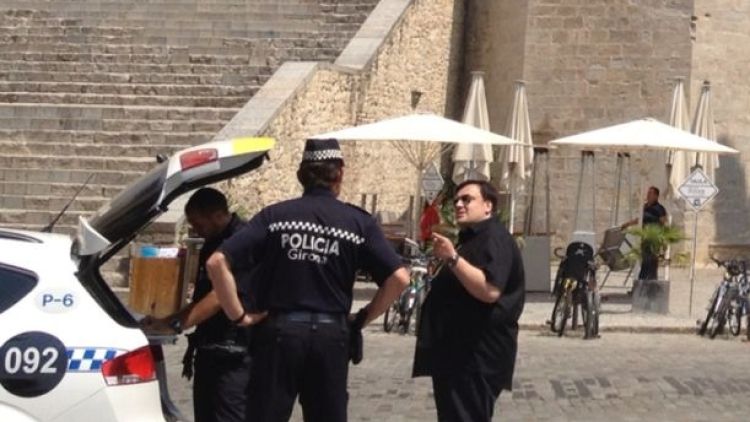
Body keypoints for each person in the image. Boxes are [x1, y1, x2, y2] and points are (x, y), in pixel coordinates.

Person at [206, 138, 410, 422]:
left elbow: (217, 261)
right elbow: (399, 277)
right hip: (331, 337)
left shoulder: (276, 217)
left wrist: (238, 315)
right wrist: (363, 317)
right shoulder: (357, 223)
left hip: (279, 333)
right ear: (339, 174)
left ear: (301, 174)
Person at [412, 180, 525, 422]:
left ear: (488, 206)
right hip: (458, 355)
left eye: (467, 199)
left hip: (475, 357)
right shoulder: (474, 238)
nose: (459, 204)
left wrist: (453, 258)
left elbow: (490, 290)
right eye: (457, 201)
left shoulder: (494, 238)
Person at [141, 187, 253, 422]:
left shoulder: (243, 241)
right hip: (210, 349)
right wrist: (165, 321)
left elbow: (219, 297)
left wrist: (175, 325)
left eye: (199, 224)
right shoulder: (212, 242)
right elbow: (201, 299)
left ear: (216, 215)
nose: (195, 230)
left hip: (233, 355)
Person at [621, 186, 668, 281]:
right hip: (644, 238)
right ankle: (644, 284)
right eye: (648, 193)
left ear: (656, 196)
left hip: (654, 239)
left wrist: (664, 240)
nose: (648, 195)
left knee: (651, 262)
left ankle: (647, 283)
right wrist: (627, 224)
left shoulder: (659, 209)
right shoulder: (645, 207)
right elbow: (639, 219)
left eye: (650, 193)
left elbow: (664, 224)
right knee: (645, 261)